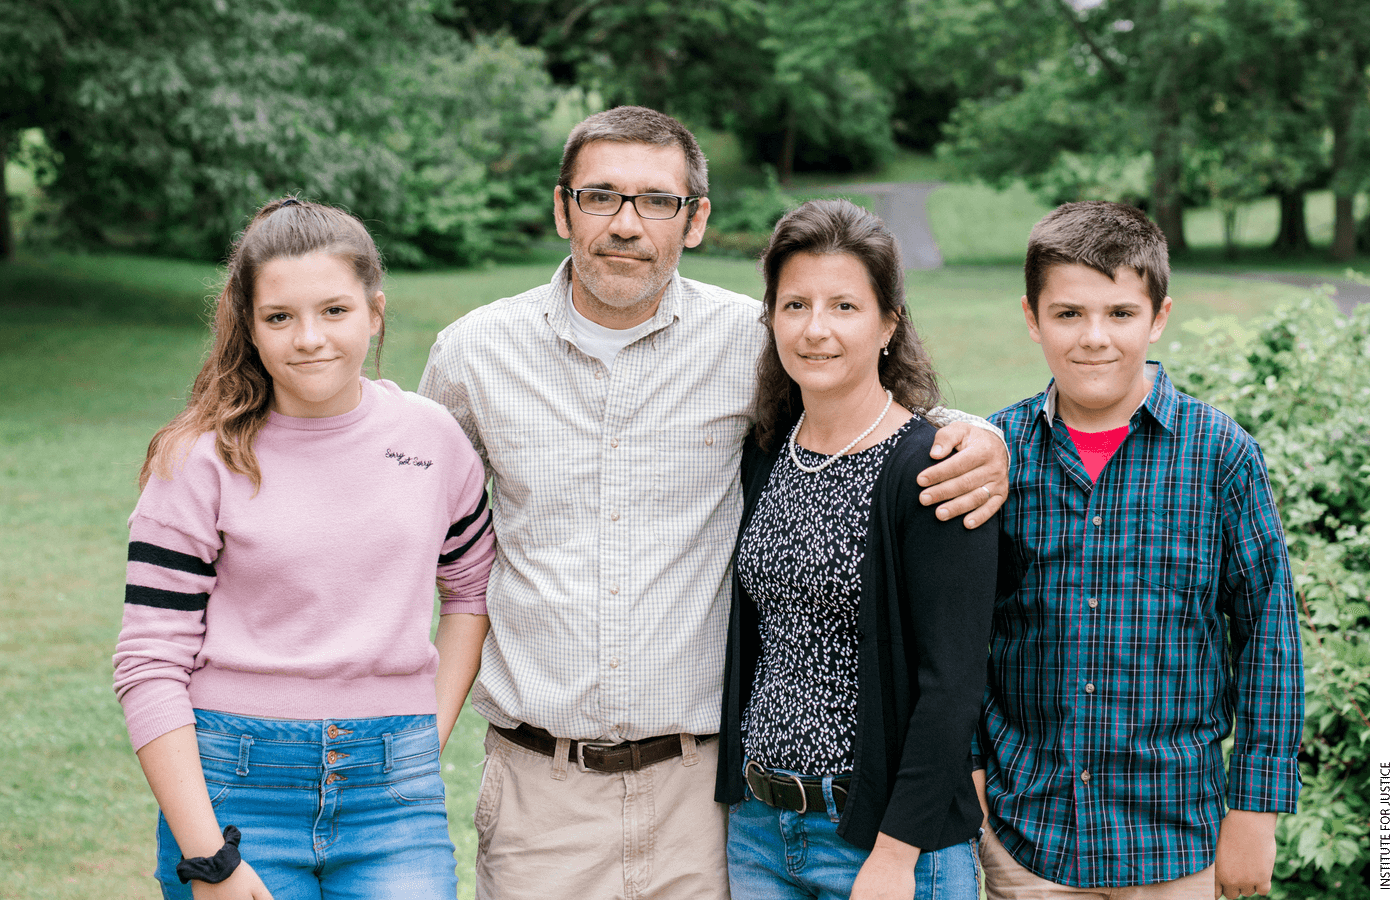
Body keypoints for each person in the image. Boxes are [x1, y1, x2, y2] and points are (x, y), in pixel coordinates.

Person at [417, 105, 1009, 900]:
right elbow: (405, 522)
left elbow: (863, 404)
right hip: (539, 796)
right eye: (601, 196)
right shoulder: (472, 353)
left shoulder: (750, 340)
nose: (627, 224)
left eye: (656, 201)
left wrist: (977, 435)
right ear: (563, 208)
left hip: (701, 799)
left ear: (693, 220)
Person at [113, 198, 495, 899]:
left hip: (395, 796)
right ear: (250, 328)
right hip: (235, 789)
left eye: (335, 311)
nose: (309, 338)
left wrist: (423, 737)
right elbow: (149, 659)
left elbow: (470, 590)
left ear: (375, 313)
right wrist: (208, 858)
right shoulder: (197, 460)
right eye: (280, 317)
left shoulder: (433, 440)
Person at [974, 201, 1305, 900]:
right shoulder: (994, 453)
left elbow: (1268, 635)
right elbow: (963, 633)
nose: (1095, 338)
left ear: (1158, 317)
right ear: (1032, 319)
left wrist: (1256, 811)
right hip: (1028, 836)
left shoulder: (1221, 456)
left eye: (1120, 313)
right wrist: (973, 777)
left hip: (1176, 836)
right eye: (1068, 314)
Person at [714, 199, 998, 900]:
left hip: (881, 841)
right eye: (795, 305)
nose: (816, 329)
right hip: (760, 832)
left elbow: (952, 684)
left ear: (888, 325)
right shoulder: (767, 454)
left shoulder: (935, 469)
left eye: (844, 306)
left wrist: (897, 855)